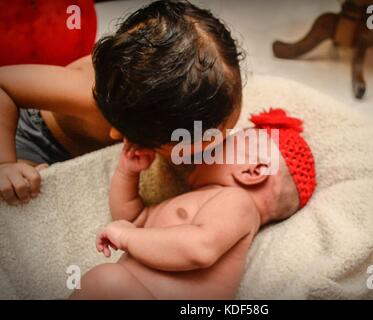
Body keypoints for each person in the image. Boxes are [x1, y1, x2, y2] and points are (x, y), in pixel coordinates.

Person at [0, 0, 242, 205]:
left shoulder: (210, 88)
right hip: (34, 138)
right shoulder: (84, 90)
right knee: (24, 186)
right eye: (198, 147)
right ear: (126, 135)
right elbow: (4, 85)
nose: (214, 147)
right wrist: (5, 163)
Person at [70, 109, 316, 300]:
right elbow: (131, 220)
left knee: (107, 280)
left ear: (252, 171)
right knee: (106, 281)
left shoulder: (238, 202)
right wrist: (127, 173)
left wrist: (127, 238)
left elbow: (201, 248)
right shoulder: (199, 200)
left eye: (225, 143)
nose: (208, 146)